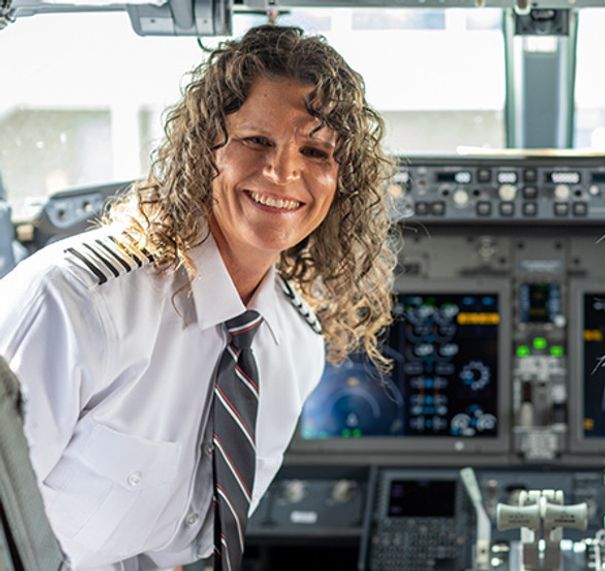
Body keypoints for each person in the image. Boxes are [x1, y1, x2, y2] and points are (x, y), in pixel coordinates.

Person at [0, 25, 397, 570]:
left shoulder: (295, 343)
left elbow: (189, 544)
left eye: (315, 150)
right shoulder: (73, 304)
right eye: (256, 141)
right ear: (204, 146)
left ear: (339, 180)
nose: (283, 172)